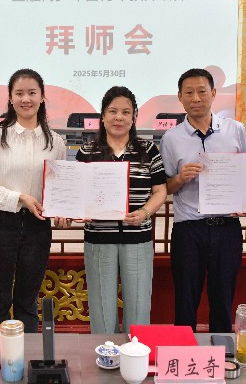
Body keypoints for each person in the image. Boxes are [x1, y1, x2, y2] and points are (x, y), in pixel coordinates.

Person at [0, 68, 66, 333]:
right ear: (10, 98)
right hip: (0, 223)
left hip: (37, 226)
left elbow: (60, 186)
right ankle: (0, 356)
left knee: (28, 301)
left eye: (32, 93)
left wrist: (62, 210)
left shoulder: (55, 142)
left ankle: (29, 355)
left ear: (42, 97)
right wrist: (19, 198)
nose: (26, 99)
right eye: (19, 93)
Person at [160, 68, 246, 332]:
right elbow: (166, 187)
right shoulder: (171, 138)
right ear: (180, 97)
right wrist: (181, 178)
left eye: (202, 91)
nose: (196, 98)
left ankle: (221, 352)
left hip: (227, 227)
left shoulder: (235, 130)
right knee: (186, 299)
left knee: (223, 299)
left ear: (213, 93)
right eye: (189, 92)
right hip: (189, 229)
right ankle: (183, 351)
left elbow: (245, 174)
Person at [76, 86, 167, 334]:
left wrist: (145, 212)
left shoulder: (148, 150)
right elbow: (78, 194)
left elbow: (160, 190)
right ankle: (104, 354)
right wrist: (78, 211)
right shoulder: (87, 152)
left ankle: (135, 355)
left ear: (134, 117)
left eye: (126, 112)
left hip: (138, 237)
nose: (119, 117)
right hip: (98, 238)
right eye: (113, 111)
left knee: (138, 307)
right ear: (103, 116)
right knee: (101, 309)